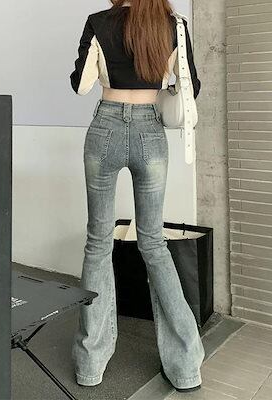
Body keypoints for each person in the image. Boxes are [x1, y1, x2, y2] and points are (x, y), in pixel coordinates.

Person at [69, 0, 204, 393]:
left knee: (98, 244)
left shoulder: (98, 22)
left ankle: (90, 365)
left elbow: (81, 85)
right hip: (150, 132)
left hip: (105, 128)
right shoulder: (172, 24)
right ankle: (185, 367)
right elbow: (191, 87)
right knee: (154, 244)